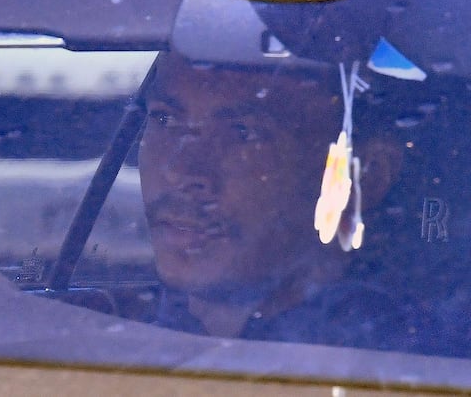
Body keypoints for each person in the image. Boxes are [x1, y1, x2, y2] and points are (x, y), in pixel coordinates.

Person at [136, 51, 466, 355]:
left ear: (363, 174)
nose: (179, 170)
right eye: (164, 120)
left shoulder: (410, 364)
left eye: (242, 132)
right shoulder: (109, 332)